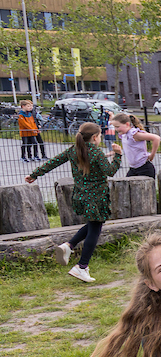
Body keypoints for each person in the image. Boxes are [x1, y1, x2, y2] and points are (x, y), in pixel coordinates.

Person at [26, 122, 122, 284]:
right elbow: (110, 171)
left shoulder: (74, 150)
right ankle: (82, 266)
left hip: (81, 196)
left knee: (93, 224)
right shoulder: (95, 152)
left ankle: (69, 246)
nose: (100, 139)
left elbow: (53, 162)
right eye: (99, 136)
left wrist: (35, 174)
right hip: (97, 197)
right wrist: (118, 155)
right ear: (94, 137)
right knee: (95, 229)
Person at [111, 112, 160, 178]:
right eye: (114, 127)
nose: (115, 129)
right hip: (133, 168)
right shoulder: (124, 134)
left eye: (117, 127)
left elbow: (156, 138)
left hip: (144, 168)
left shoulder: (134, 134)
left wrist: (152, 155)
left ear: (127, 124)